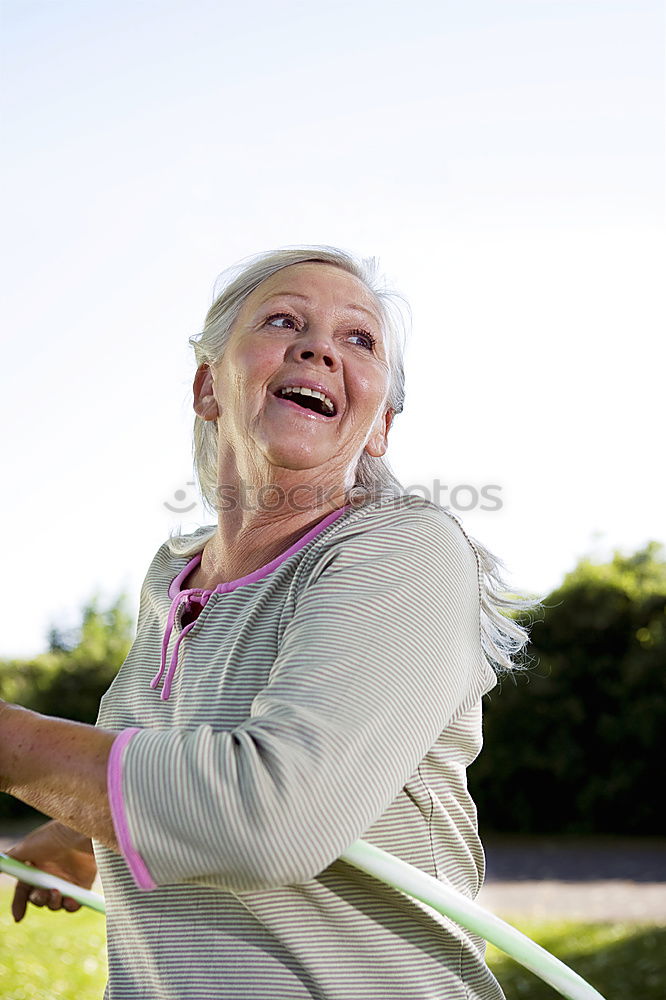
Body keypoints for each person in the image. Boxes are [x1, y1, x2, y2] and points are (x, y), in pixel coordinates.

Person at [2, 245, 536, 1000]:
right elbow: (186, 754)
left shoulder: (406, 550)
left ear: (380, 426)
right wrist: (85, 830)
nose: (319, 347)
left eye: (360, 340)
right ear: (206, 386)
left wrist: (13, 744)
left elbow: (270, 816)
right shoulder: (170, 578)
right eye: (284, 320)